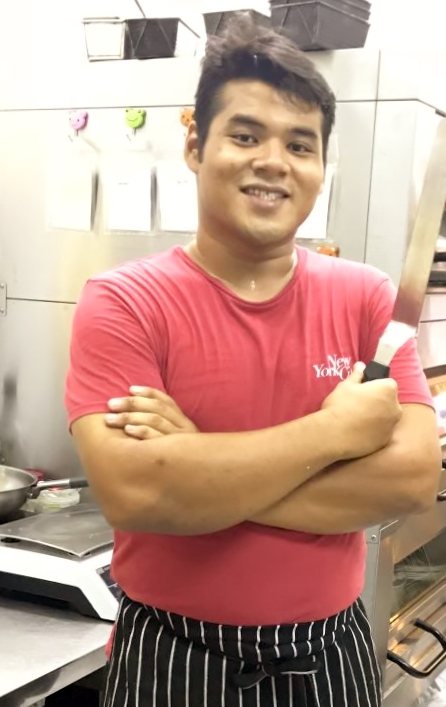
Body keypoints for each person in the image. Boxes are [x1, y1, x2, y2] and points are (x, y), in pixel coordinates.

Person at [65, 14, 441, 707]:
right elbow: (136, 494)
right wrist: (333, 435)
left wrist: (197, 467)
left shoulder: (367, 298)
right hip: (172, 657)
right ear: (195, 145)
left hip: (327, 655)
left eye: (300, 144)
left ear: (321, 167)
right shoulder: (124, 301)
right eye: (245, 135)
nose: (273, 160)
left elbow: (414, 479)